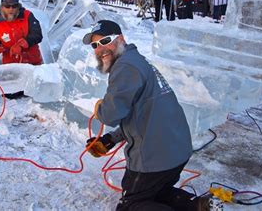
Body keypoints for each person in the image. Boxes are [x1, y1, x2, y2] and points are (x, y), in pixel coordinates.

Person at [83, 20, 208, 210]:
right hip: (176, 151)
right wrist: (111, 139)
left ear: (121, 39)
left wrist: (99, 109)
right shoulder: (135, 61)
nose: (100, 49)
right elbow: (141, 114)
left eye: (105, 41)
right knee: (155, 192)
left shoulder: (125, 67)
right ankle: (199, 205)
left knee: (131, 206)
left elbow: (110, 115)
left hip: (155, 158)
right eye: (95, 45)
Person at [0, 0, 43, 66]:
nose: (11, 9)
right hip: (10, 65)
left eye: (14, 6)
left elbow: (37, 35)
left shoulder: (27, 15)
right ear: (2, 7)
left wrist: (21, 44)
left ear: (18, 6)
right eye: (7, 6)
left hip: (32, 63)